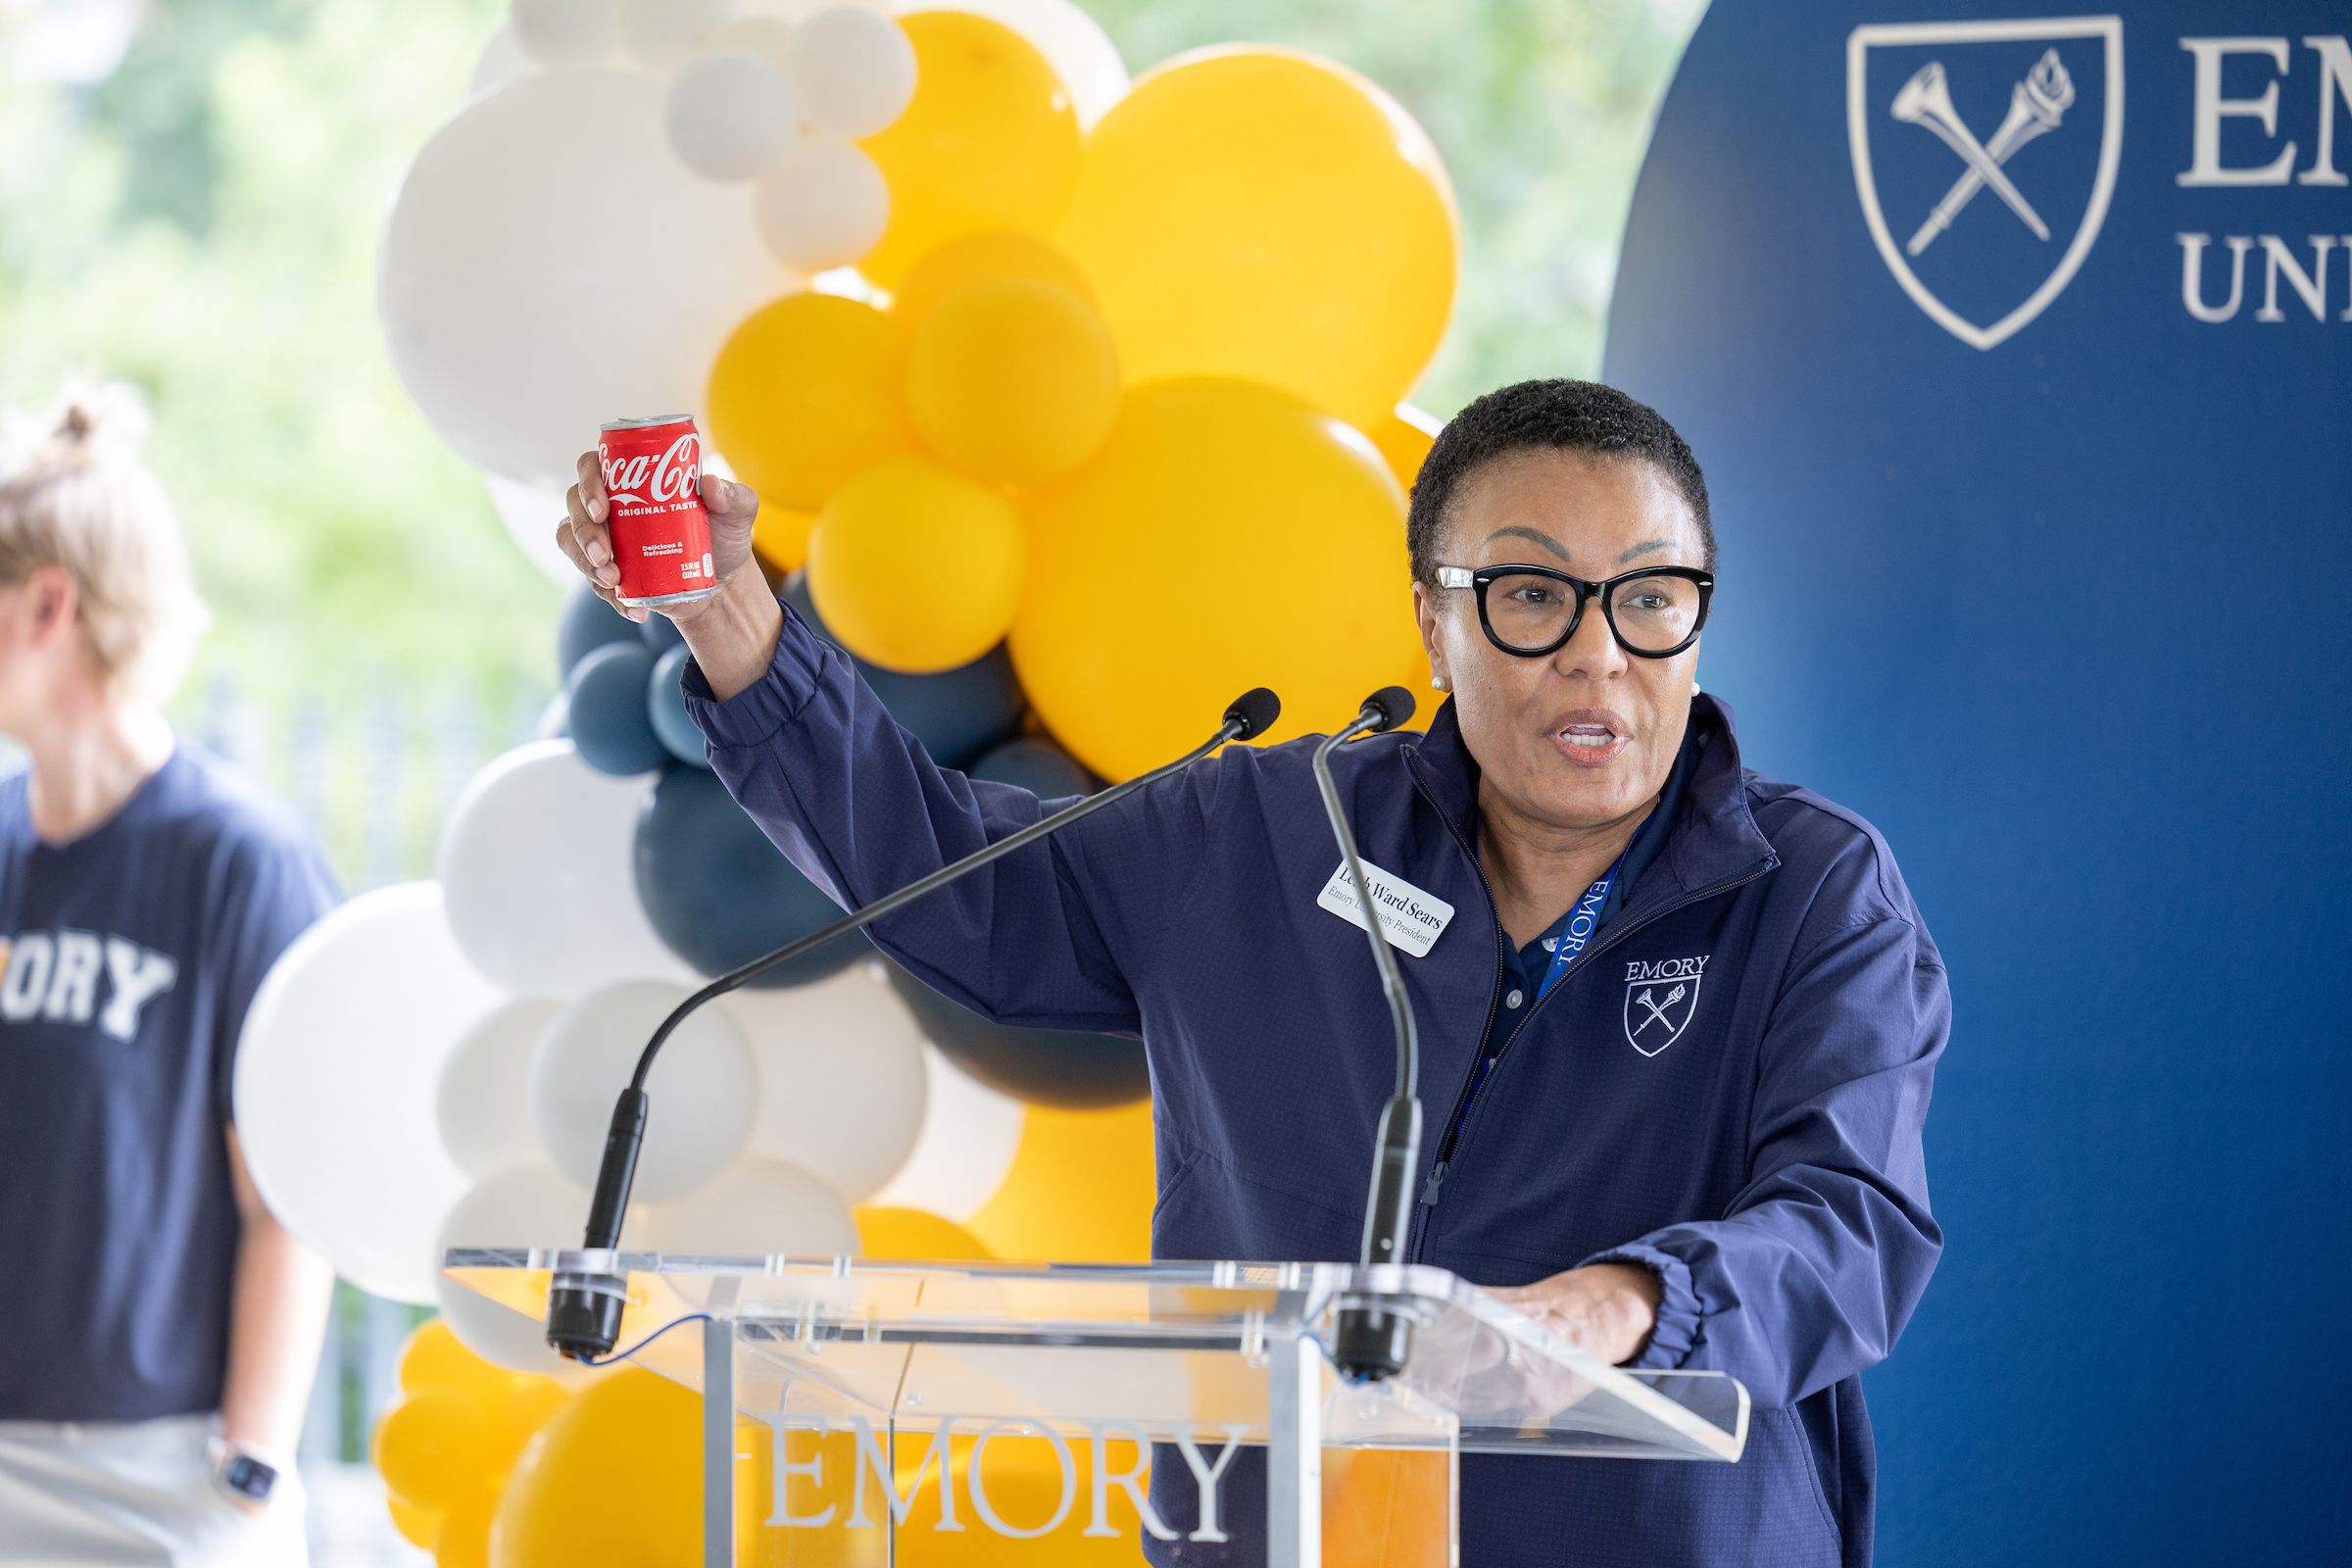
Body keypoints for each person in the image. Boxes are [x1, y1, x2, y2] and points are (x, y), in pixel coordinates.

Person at [558, 377, 1946, 1568]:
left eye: (1650, 598)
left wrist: (1624, 1304)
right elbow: (950, 885)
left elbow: (1850, 1224)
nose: (1597, 655)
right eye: (1531, 595)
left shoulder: (1813, 890)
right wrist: (735, 624)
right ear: (1433, 616)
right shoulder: (1277, 833)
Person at [0, 382, 339, 1566]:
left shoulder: (241, 861)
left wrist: (247, 1464)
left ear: (49, 605)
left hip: (161, 1486)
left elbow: (290, 1199)